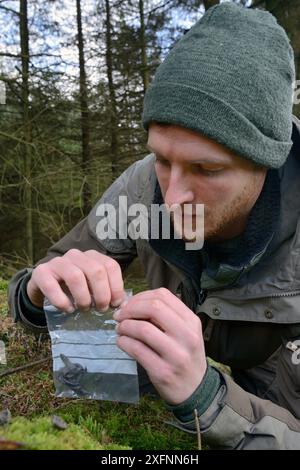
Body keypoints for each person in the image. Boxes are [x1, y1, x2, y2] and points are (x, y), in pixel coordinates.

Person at [8, 2, 300, 449]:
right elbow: (52, 270)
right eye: (164, 158)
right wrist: (36, 295)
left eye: (206, 168)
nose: (174, 195)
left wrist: (208, 400)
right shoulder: (143, 186)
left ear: (267, 163)